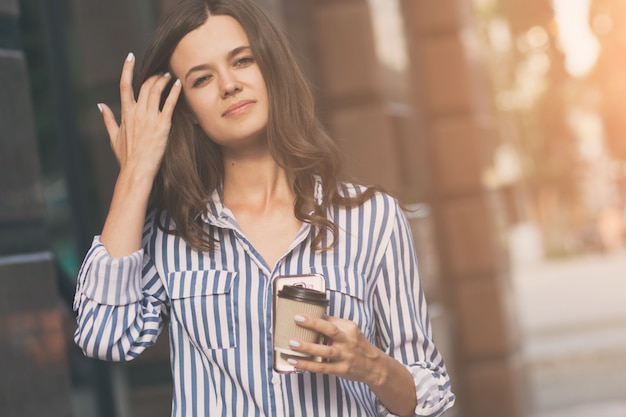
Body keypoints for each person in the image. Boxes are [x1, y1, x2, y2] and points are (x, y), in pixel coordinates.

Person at [72, 0, 455, 416]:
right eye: (202, 79)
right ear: (189, 113)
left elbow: (428, 393)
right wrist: (136, 171)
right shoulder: (172, 234)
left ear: (270, 68)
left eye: (242, 61)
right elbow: (103, 334)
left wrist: (371, 365)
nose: (228, 85)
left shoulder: (371, 218)